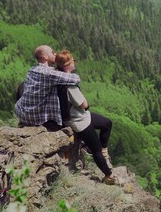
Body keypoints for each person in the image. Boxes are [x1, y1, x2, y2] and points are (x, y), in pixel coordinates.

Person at [54, 50, 115, 185]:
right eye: (72, 61)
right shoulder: (69, 84)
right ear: (67, 65)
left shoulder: (58, 78)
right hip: (79, 121)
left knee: (106, 123)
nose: (75, 62)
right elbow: (84, 104)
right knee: (96, 150)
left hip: (80, 116)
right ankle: (109, 176)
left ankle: (105, 151)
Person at [15, 45, 80, 131]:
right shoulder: (48, 73)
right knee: (60, 86)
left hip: (22, 113)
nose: (55, 54)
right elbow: (75, 79)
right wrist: (67, 67)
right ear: (45, 57)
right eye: (53, 52)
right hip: (35, 118)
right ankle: (64, 121)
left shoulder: (32, 69)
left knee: (24, 85)